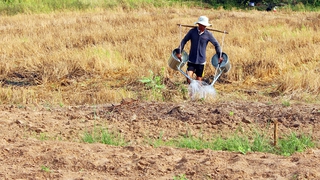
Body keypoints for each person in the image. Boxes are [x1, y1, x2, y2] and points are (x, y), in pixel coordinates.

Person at [176, 16, 223, 84]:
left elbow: (216, 44)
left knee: (199, 80)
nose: (204, 27)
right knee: (188, 77)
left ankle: (198, 93)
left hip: (201, 61)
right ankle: (192, 92)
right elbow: (184, 40)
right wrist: (179, 51)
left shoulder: (208, 34)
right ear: (199, 24)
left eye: (205, 26)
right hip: (191, 59)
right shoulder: (192, 32)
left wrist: (219, 55)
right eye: (202, 25)